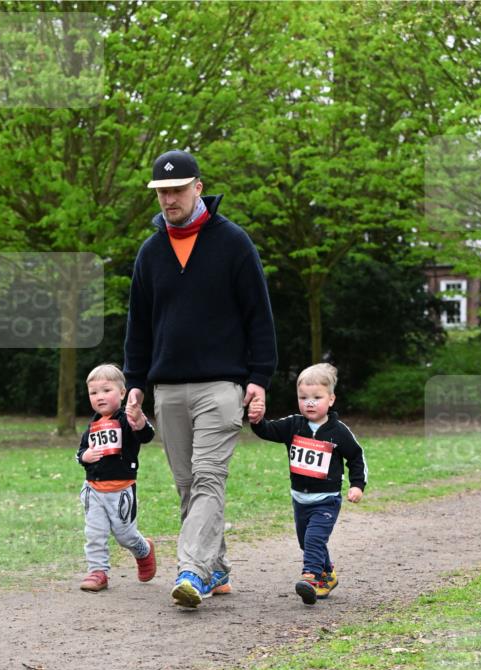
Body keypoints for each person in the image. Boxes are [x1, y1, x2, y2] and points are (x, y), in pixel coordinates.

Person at [124, 149, 277, 609]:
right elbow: (140, 326)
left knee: (209, 477)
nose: (168, 199)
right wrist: (134, 381)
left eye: (176, 190)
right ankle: (218, 569)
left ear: (197, 187)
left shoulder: (232, 242)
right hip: (168, 388)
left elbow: (259, 315)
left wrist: (259, 376)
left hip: (221, 387)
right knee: (188, 486)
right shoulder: (150, 253)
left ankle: (190, 569)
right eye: (161, 192)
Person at [249, 363, 367, 604]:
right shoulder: (293, 425)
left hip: (327, 500)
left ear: (331, 399)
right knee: (306, 541)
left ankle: (311, 578)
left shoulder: (338, 431)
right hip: (300, 499)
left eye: (316, 397)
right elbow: (267, 431)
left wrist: (357, 485)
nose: (309, 403)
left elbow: (356, 457)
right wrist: (257, 420)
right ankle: (327, 575)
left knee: (314, 539)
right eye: (303, 398)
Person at [77, 364, 156, 592]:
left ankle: (144, 550)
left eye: (106, 390)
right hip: (93, 490)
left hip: (121, 491)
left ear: (122, 393)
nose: (99, 397)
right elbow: (80, 453)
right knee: (94, 533)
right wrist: (86, 456)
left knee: (125, 536)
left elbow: (147, 434)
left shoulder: (127, 419)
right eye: (93, 393)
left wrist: (139, 421)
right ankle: (97, 571)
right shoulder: (92, 425)